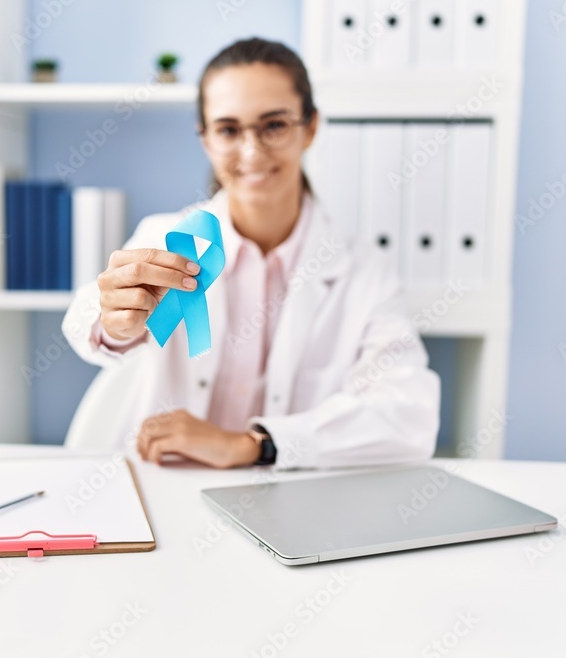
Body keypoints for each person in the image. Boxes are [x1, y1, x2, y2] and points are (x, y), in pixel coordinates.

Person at [61, 37, 439, 470]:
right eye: (228, 129)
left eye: (274, 125)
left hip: (292, 505)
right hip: (165, 486)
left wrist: (255, 444)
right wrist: (114, 322)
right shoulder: (170, 238)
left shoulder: (364, 270)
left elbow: (409, 415)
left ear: (310, 127)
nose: (252, 151)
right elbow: (85, 322)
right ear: (205, 139)